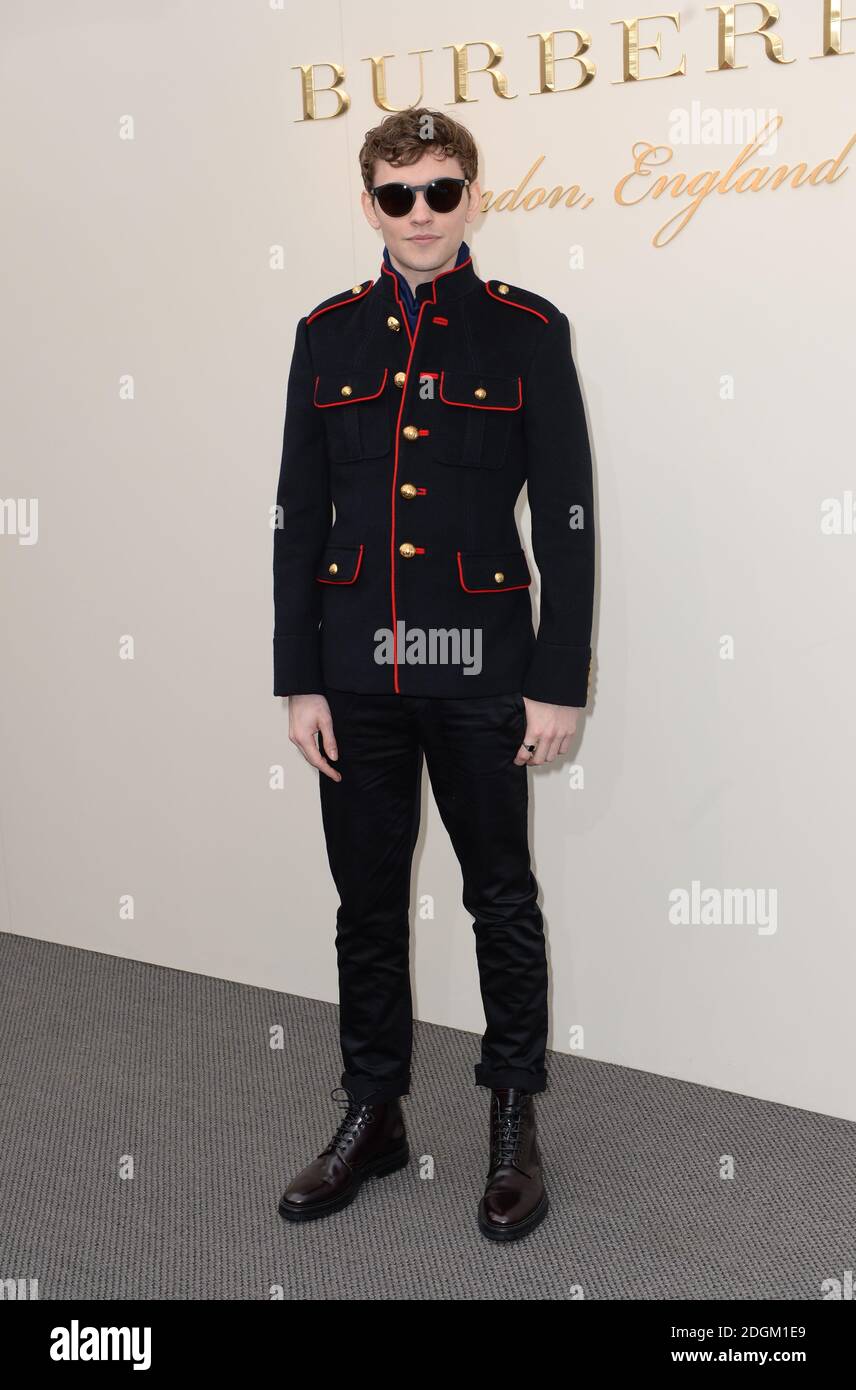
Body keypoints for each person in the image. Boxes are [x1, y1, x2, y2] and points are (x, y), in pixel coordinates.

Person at [272, 106, 594, 1241]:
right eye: (398, 195)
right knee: (365, 901)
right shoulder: (327, 332)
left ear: (472, 199)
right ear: (368, 204)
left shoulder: (524, 330)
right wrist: (298, 678)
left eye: (441, 191)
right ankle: (373, 1113)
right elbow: (298, 516)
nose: (420, 213)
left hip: (478, 667)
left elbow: (566, 516)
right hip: (353, 669)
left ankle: (513, 1120)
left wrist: (559, 681)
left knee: (497, 895)